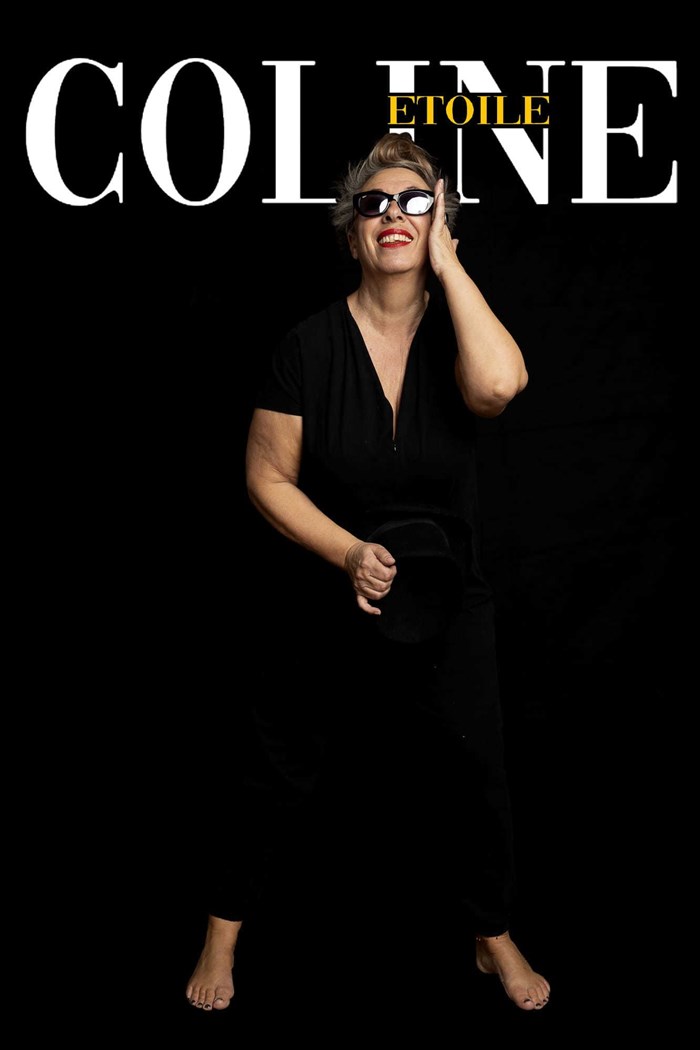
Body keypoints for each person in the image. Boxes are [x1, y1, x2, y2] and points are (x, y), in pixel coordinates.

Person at [186, 132, 550, 1014]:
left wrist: (448, 265)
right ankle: (221, 931)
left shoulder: (459, 331)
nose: (394, 214)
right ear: (351, 233)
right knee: (272, 766)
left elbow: (499, 387)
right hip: (324, 582)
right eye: (375, 204)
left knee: (475, 771)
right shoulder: (307, 347)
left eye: (416, 203)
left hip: (446, 596)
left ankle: (491, 932)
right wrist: (348, 553)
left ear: (440, 225)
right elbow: (265, 477)